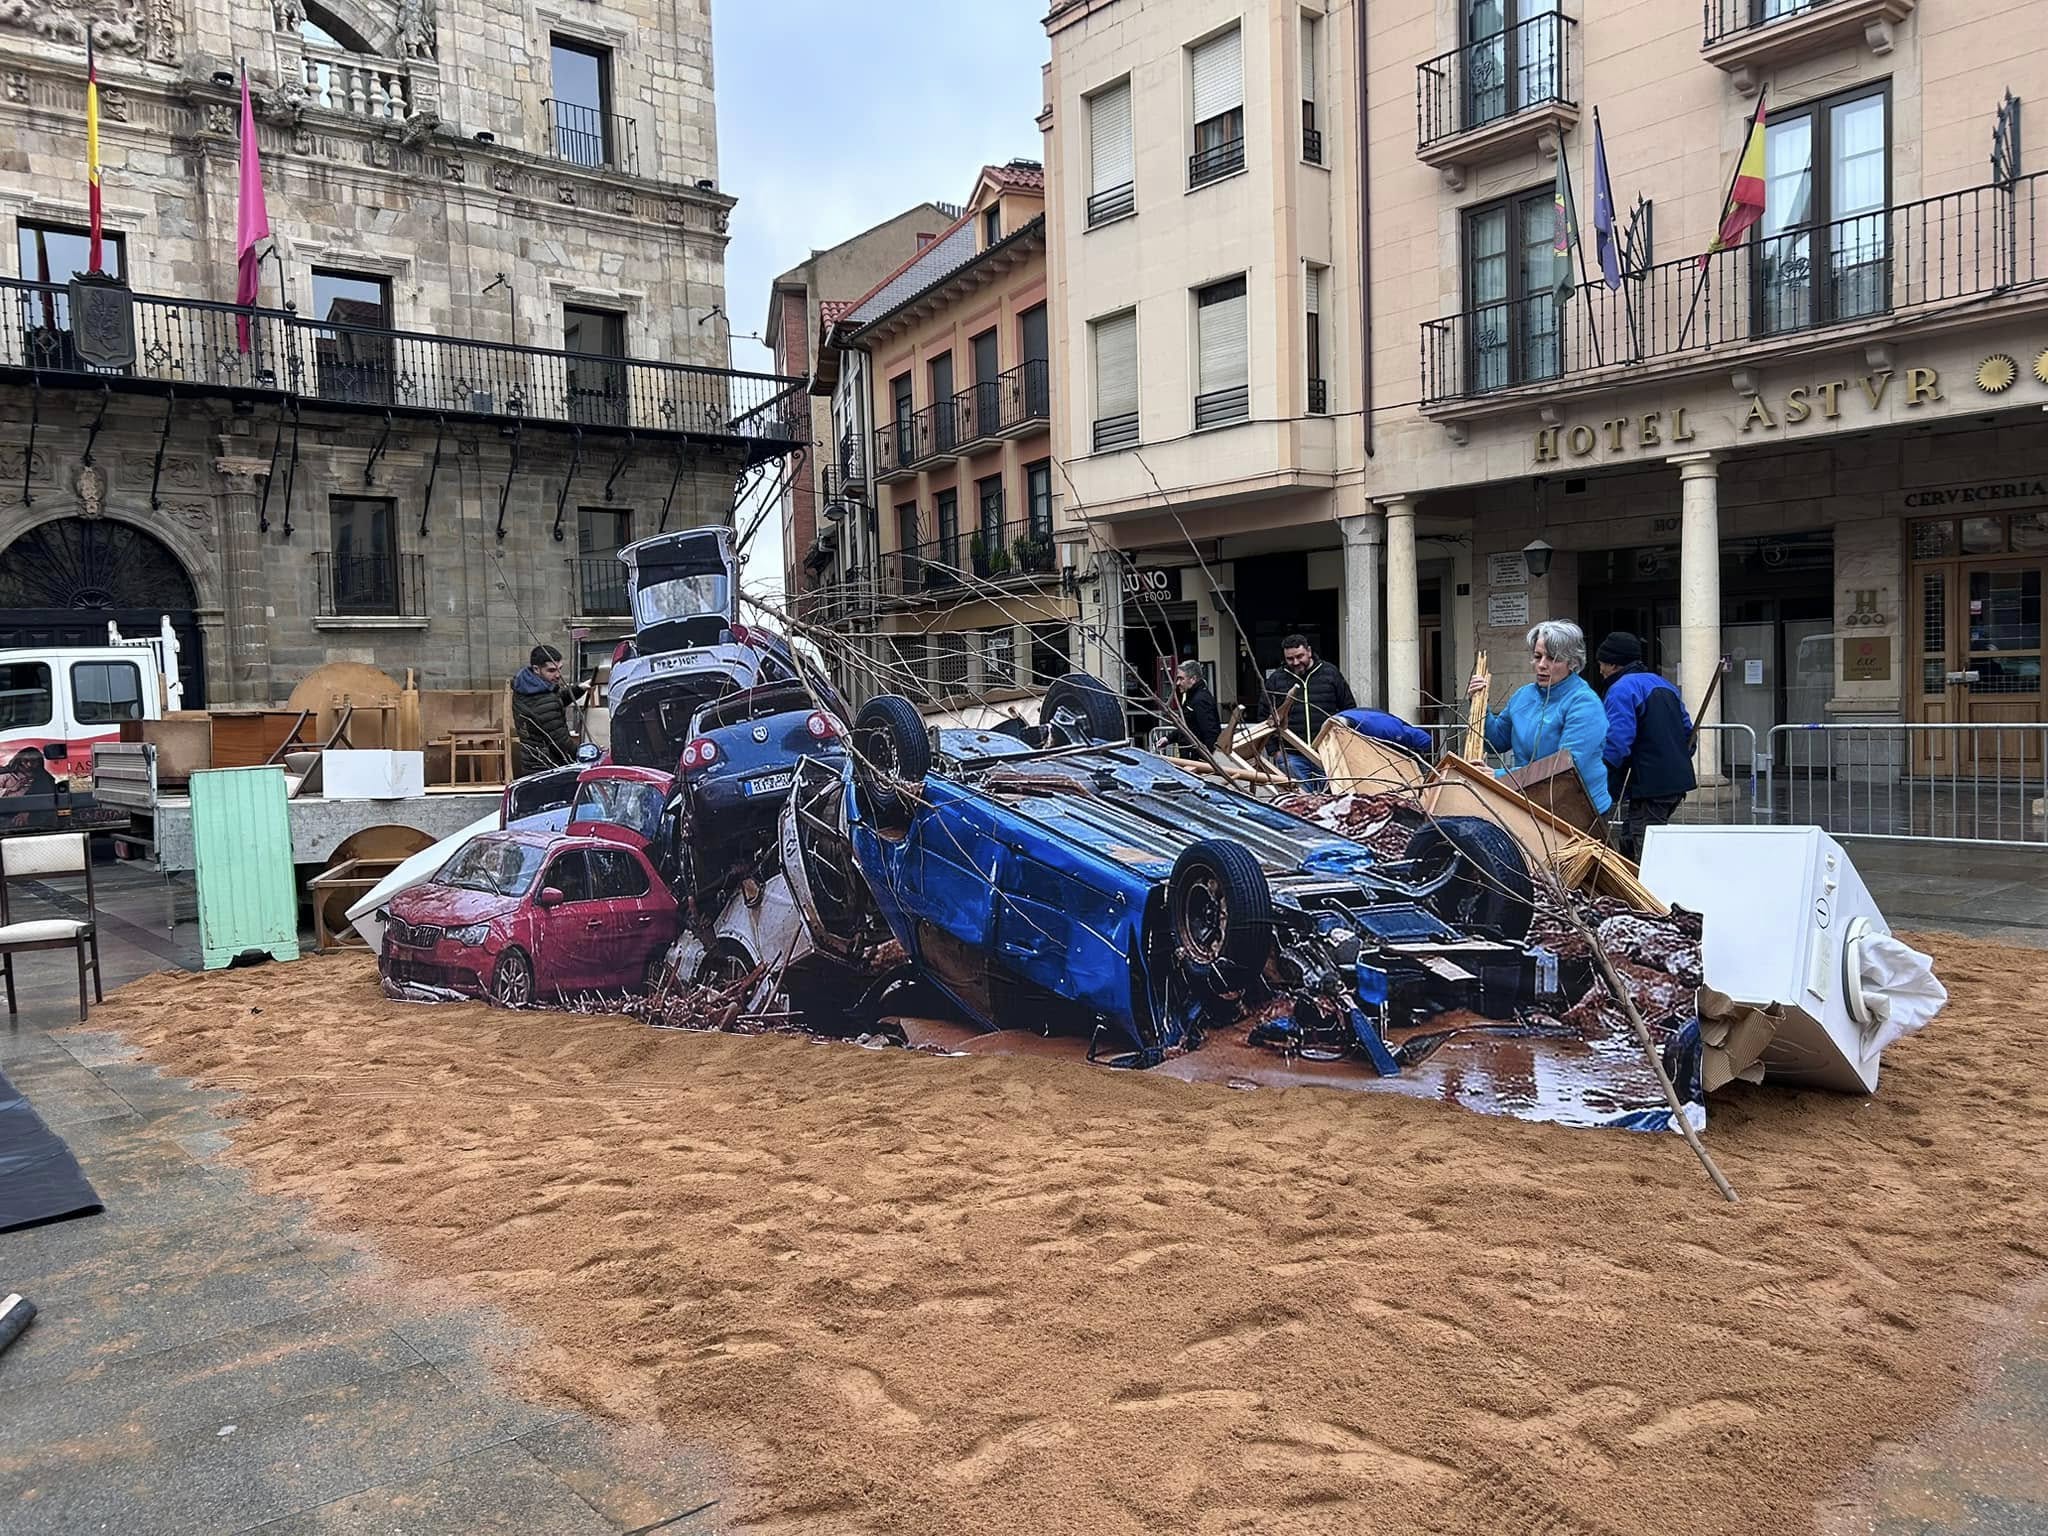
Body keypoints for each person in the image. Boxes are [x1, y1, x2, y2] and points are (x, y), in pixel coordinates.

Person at [1466, 620, 1612, 817]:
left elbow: (1565, 768)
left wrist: (1500, 776)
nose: (1542, 665)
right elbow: (1497, 740)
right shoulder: (1523, 696)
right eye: (1537, 656)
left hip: (1577, 809)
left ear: (1572, 662)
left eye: (1552, 658)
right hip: (1527, 802)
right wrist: (1480, 704)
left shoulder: (1585, 704)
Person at [1596, 631, 1696, 860]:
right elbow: (1688, 733)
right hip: (1673, 781)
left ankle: (1649, 892)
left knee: (1646, 845)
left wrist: (1601, 773)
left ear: (1613, 663)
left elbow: (1617, 743)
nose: (1600, 669)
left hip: (1650, 782)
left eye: (1602, 663)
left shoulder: (1621, 689)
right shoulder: (1663, 684)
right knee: (1631, 837)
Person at [1269, 634, 1356, 789]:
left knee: (1331, 802)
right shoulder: (1276, 679)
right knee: (1299, 803)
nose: (1295, 662)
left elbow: (1349, 710)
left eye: (1299, 656)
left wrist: (1345, 746)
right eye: (1290, 659)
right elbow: (1265, 717)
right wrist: (1274, 751)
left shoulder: (1330, 673)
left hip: (1328, 752)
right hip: (1291, 755)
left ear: (1309, 651)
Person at [511, 644, 578, 775]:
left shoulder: (526, 687)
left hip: (533, 763)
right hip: (549, 767)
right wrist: (587, 756)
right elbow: (561, 743)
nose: (558, 675)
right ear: (536, 669)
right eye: (552, 670)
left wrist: (579, 689)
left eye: (560, 669)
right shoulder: (542, 699)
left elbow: (553, 703)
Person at [1170, 660, 1223, 755]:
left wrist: (1211, 757)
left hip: (1197, 757)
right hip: (1192, 753)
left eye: (1181, 679)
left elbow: (1210, 731)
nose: (1178, 683)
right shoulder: (1191, 697)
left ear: (1193, 679)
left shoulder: (1200, 700)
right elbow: (1187, 726)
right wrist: (1168, 738)